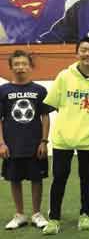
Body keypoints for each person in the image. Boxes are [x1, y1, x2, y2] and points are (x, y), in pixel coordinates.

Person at [43, 37, 89, 234]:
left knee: (86, 177)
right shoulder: (64, 76)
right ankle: (54, 218)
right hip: (63, 137)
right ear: (77, 53)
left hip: (88, 138)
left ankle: (85, 214)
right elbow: (51, 104)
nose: (87, 54)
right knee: (59, 177)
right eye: (84, 50)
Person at [0, 51, 52, 229]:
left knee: (36, 179)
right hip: (12, 145)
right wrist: (1, 143)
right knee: (15, 179)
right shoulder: (3, 91)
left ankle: (37, 214)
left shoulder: (39, 90)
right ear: (11, 67)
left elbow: (45, 117)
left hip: (35, 144)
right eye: (17, 64)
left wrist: (44, 141)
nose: (20, 67)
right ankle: (20, 214)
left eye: (24, 64)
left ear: (30, 66)